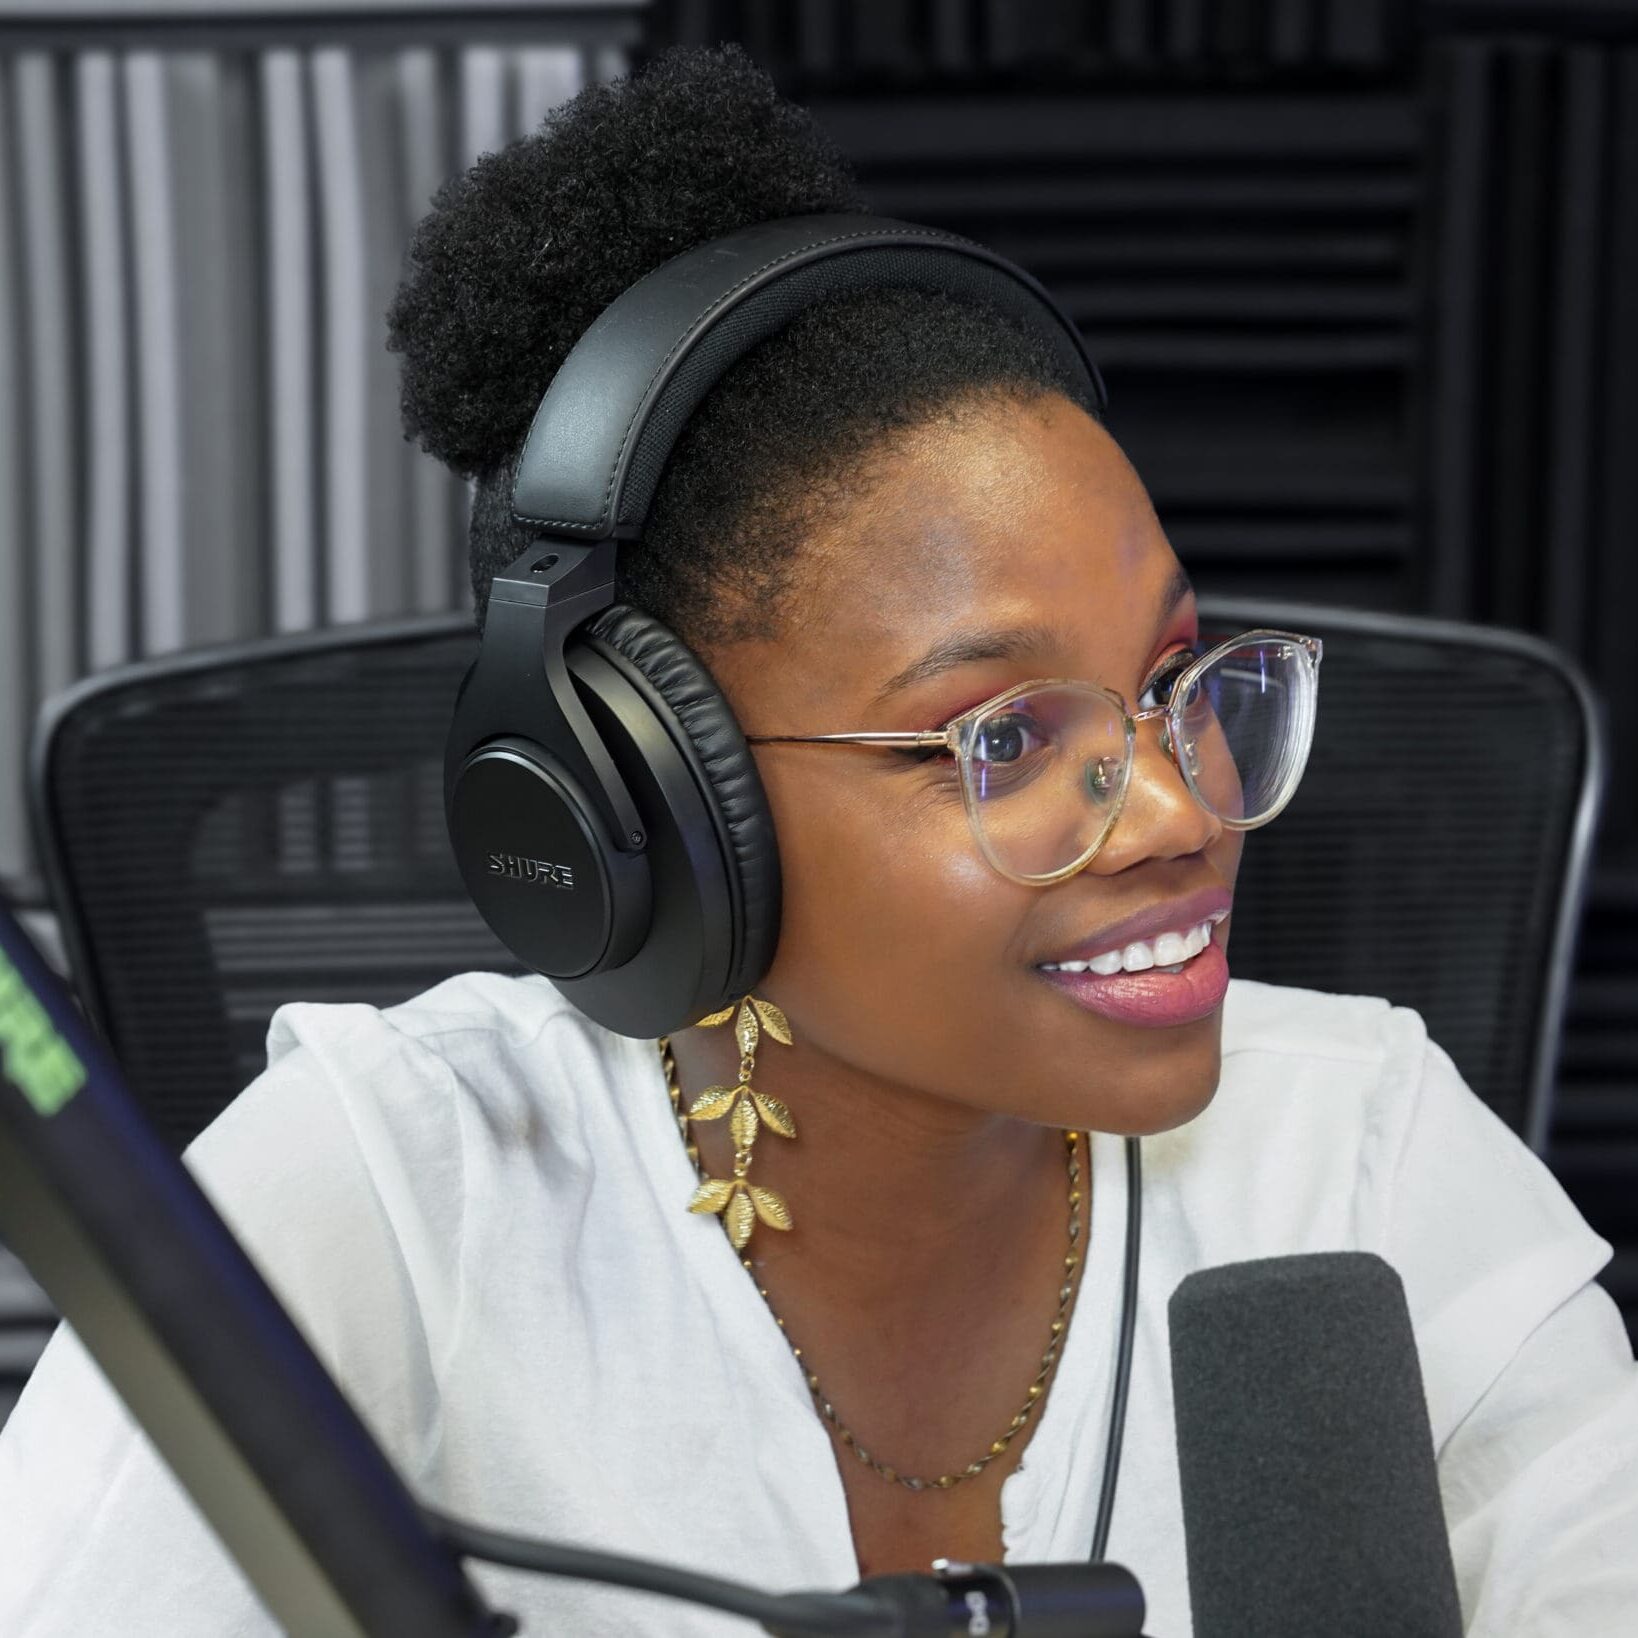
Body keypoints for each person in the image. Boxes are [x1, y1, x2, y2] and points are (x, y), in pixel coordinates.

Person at [0, 44, 1633, 1637]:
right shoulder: (388, 1198)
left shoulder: (1362, 1158)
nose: (1178, 806)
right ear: (654, 796)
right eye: (1004, 734)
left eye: (1167, 685)